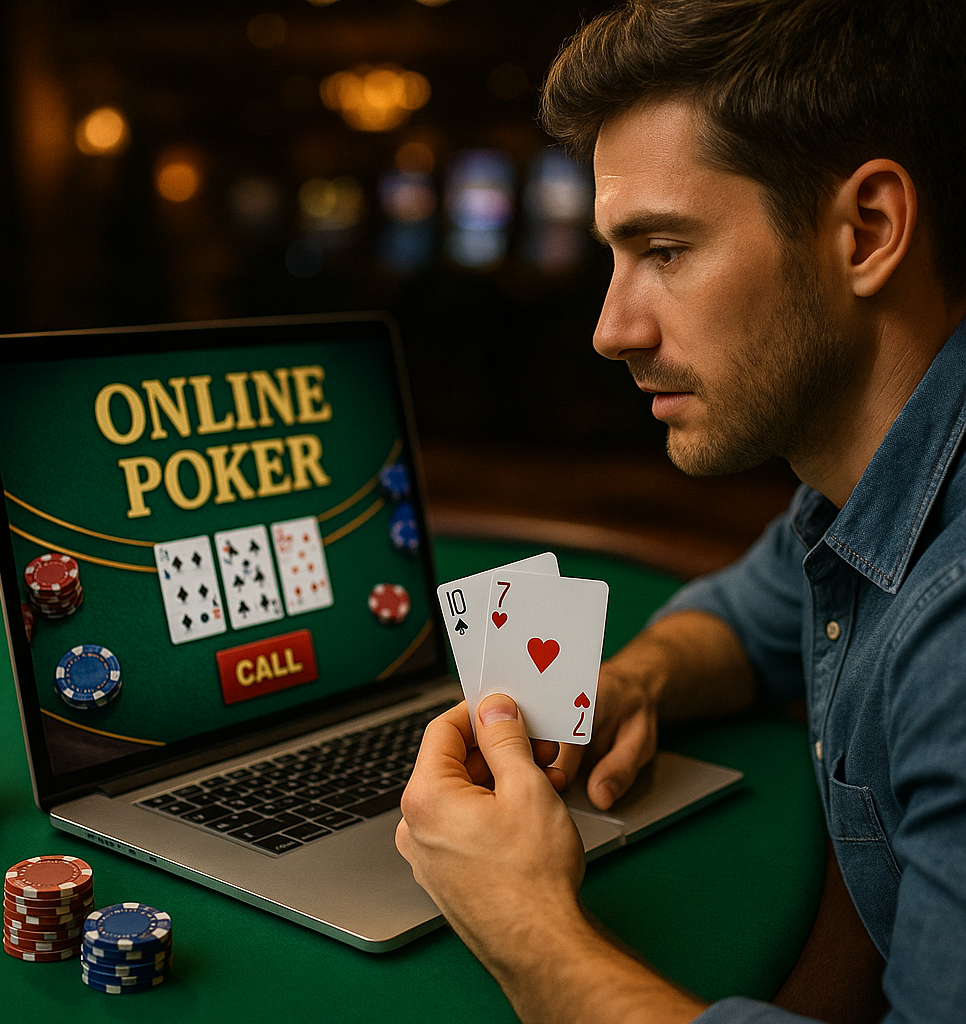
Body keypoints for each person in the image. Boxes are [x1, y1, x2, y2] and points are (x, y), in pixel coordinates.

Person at [394, 2, 966, 1022]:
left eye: (663, 248)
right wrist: (637, 679)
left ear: (866, 232)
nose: (611, 329)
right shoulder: (878, 474)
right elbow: (753, 612)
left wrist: (526, 924)